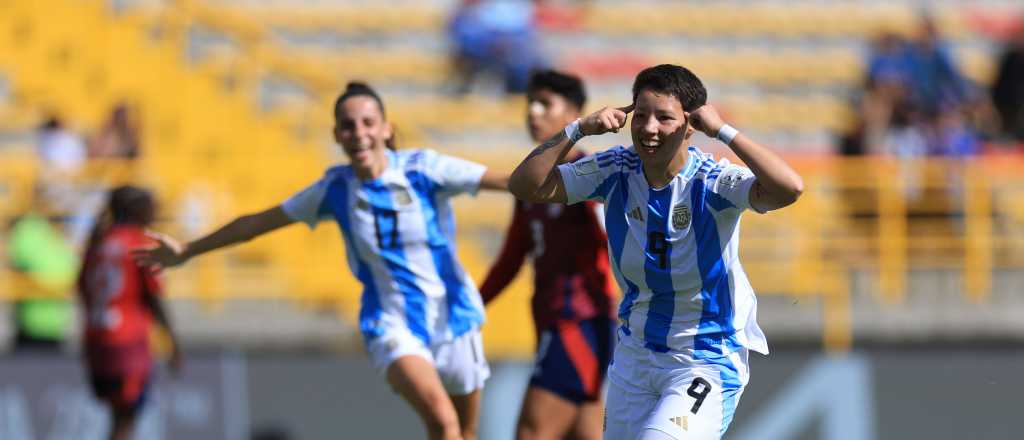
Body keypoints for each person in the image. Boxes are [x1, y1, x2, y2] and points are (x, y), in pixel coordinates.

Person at [134, 82, 509, 440]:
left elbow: (509, 181)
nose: (359, 133)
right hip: (392, 323)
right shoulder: (334, 189)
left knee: (462, 432)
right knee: (443, 421)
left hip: (454, 316)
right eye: (348, 126)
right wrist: (188, 250)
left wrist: (564, 170)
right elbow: (257, 223)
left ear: (386, 128)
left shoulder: (425, 169)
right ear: (336, 135)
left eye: (367, 123)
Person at [508, 64, 803, 439]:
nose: (649, 128)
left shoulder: (711, 180)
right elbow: (526, 186)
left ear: (690, 125)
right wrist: (578, 129)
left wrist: (724, 132)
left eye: (664, 118)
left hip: (704, 358)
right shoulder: (614, 170)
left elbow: (789, 188)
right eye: (641, 114)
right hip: (635, 356)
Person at [478, 70, 616, 440]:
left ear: (574, 114)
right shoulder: (532, 185)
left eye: (545, 104)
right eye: (530, 104)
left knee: (532, 431)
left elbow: (617, 242)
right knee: (584, 433)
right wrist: (474, 304)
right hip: (552, 321)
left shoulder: (593, 176)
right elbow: (512, 257)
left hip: (581, 322)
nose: (533, 112)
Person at [78, 186, 182, 440]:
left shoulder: (96, 242)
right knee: (126, 420)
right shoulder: (139, 243)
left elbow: (82, 288)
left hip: (96, 340)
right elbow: (153, 297)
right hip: (128, 343)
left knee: (117, 417)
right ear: (137, 210)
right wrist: (173, 341)